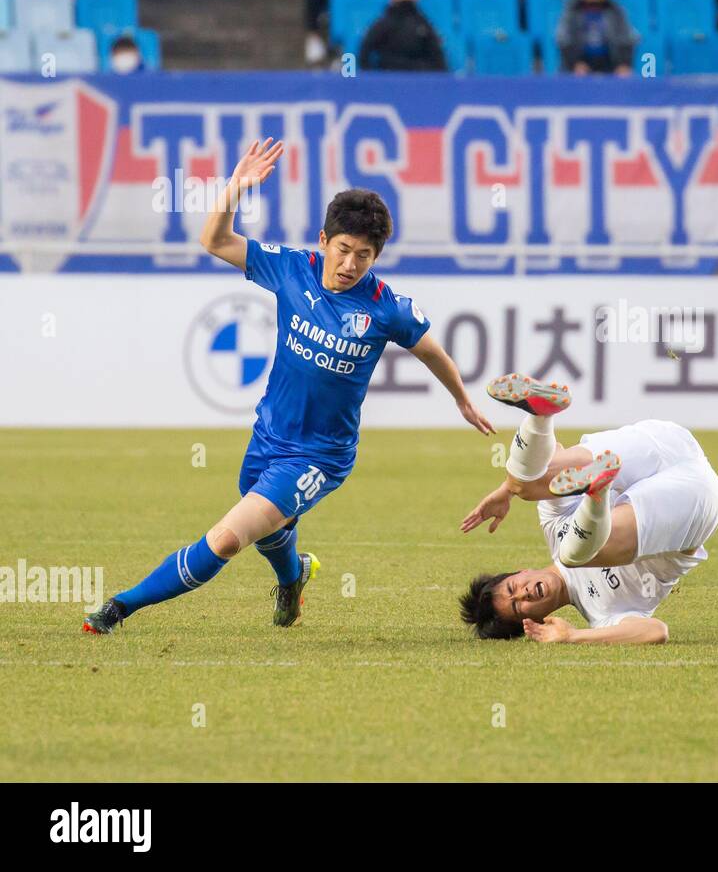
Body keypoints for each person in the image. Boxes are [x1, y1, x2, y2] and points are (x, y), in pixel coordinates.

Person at [83, 139, 495, 634]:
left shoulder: (387, 306)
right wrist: (234, 189)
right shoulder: (291, 268)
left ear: (376, 256)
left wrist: (462, 399)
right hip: (268, 435)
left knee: (227, 538)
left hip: (320, 456)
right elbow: (215, 241)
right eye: (343, 250)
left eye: (364, 256)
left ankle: (118, 608)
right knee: (269, 530)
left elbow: (431, 349)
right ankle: (294, 576)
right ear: (324, 240)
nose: (350, 265)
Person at [458, 375, 718, 645]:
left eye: (514, 587)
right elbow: (656, 631)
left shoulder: (553, 525)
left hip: (664, 445)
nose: (524, 594)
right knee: (573, 554)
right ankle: (597, 492)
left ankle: (541, 413)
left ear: (520, 571)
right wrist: (573, 636)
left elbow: (551, 455)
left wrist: (509, 488)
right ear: (532, 622)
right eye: (518, 607)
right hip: (695, 499)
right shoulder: (602, 616)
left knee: (528, 486)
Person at [554, 0, 636, 75]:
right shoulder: (572, 11)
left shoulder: (615, 11)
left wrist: (624, 63)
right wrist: (574, 63)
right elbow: (564, 39)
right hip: (581, 60)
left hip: (610, 60)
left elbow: (627, 39)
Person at [358, 0, 448, 72]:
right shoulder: (383, 24)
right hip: (388, 74)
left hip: (419, 75)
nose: (404, 6)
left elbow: (438, 55)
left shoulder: (423, 25)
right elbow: (365, 50)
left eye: (407, 1)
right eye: (401, 1)